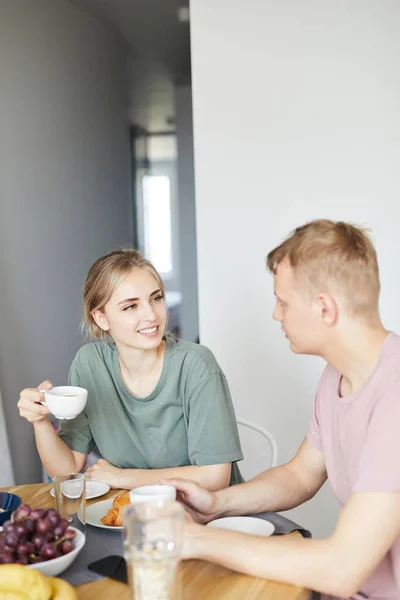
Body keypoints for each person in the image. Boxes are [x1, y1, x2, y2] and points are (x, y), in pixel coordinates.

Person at [163, 219, 400, 600]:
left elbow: (341, 569)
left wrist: (195, 539)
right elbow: (300, 475)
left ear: (324, 308)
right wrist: (216, 504)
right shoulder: (336, 376)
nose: (276, 314)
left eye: (283, 302)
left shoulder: (395, 395)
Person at [18, 248, 243, 490]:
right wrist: (40, 421)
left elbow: (215, 476)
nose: (151, 315)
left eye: (156, 298)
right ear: (101, 319)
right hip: (132, 511)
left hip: (210, 512)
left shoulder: (196, 364)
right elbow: (66, 469)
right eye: (130, 307)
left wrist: (122, 478)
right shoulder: (90, 364)